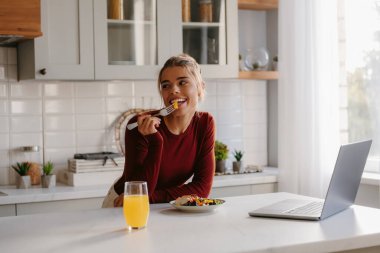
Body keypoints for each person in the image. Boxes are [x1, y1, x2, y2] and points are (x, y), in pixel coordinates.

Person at [112, 54, 216, 206]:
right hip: (124, 204)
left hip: (166, 205)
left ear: (200, 88)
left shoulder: (205, 123)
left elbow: (202, 188)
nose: (173, 90)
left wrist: (151, 198)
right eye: (166, 85)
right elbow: (136, 190)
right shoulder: (140, 125)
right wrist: (156, 142)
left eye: (182, 82)